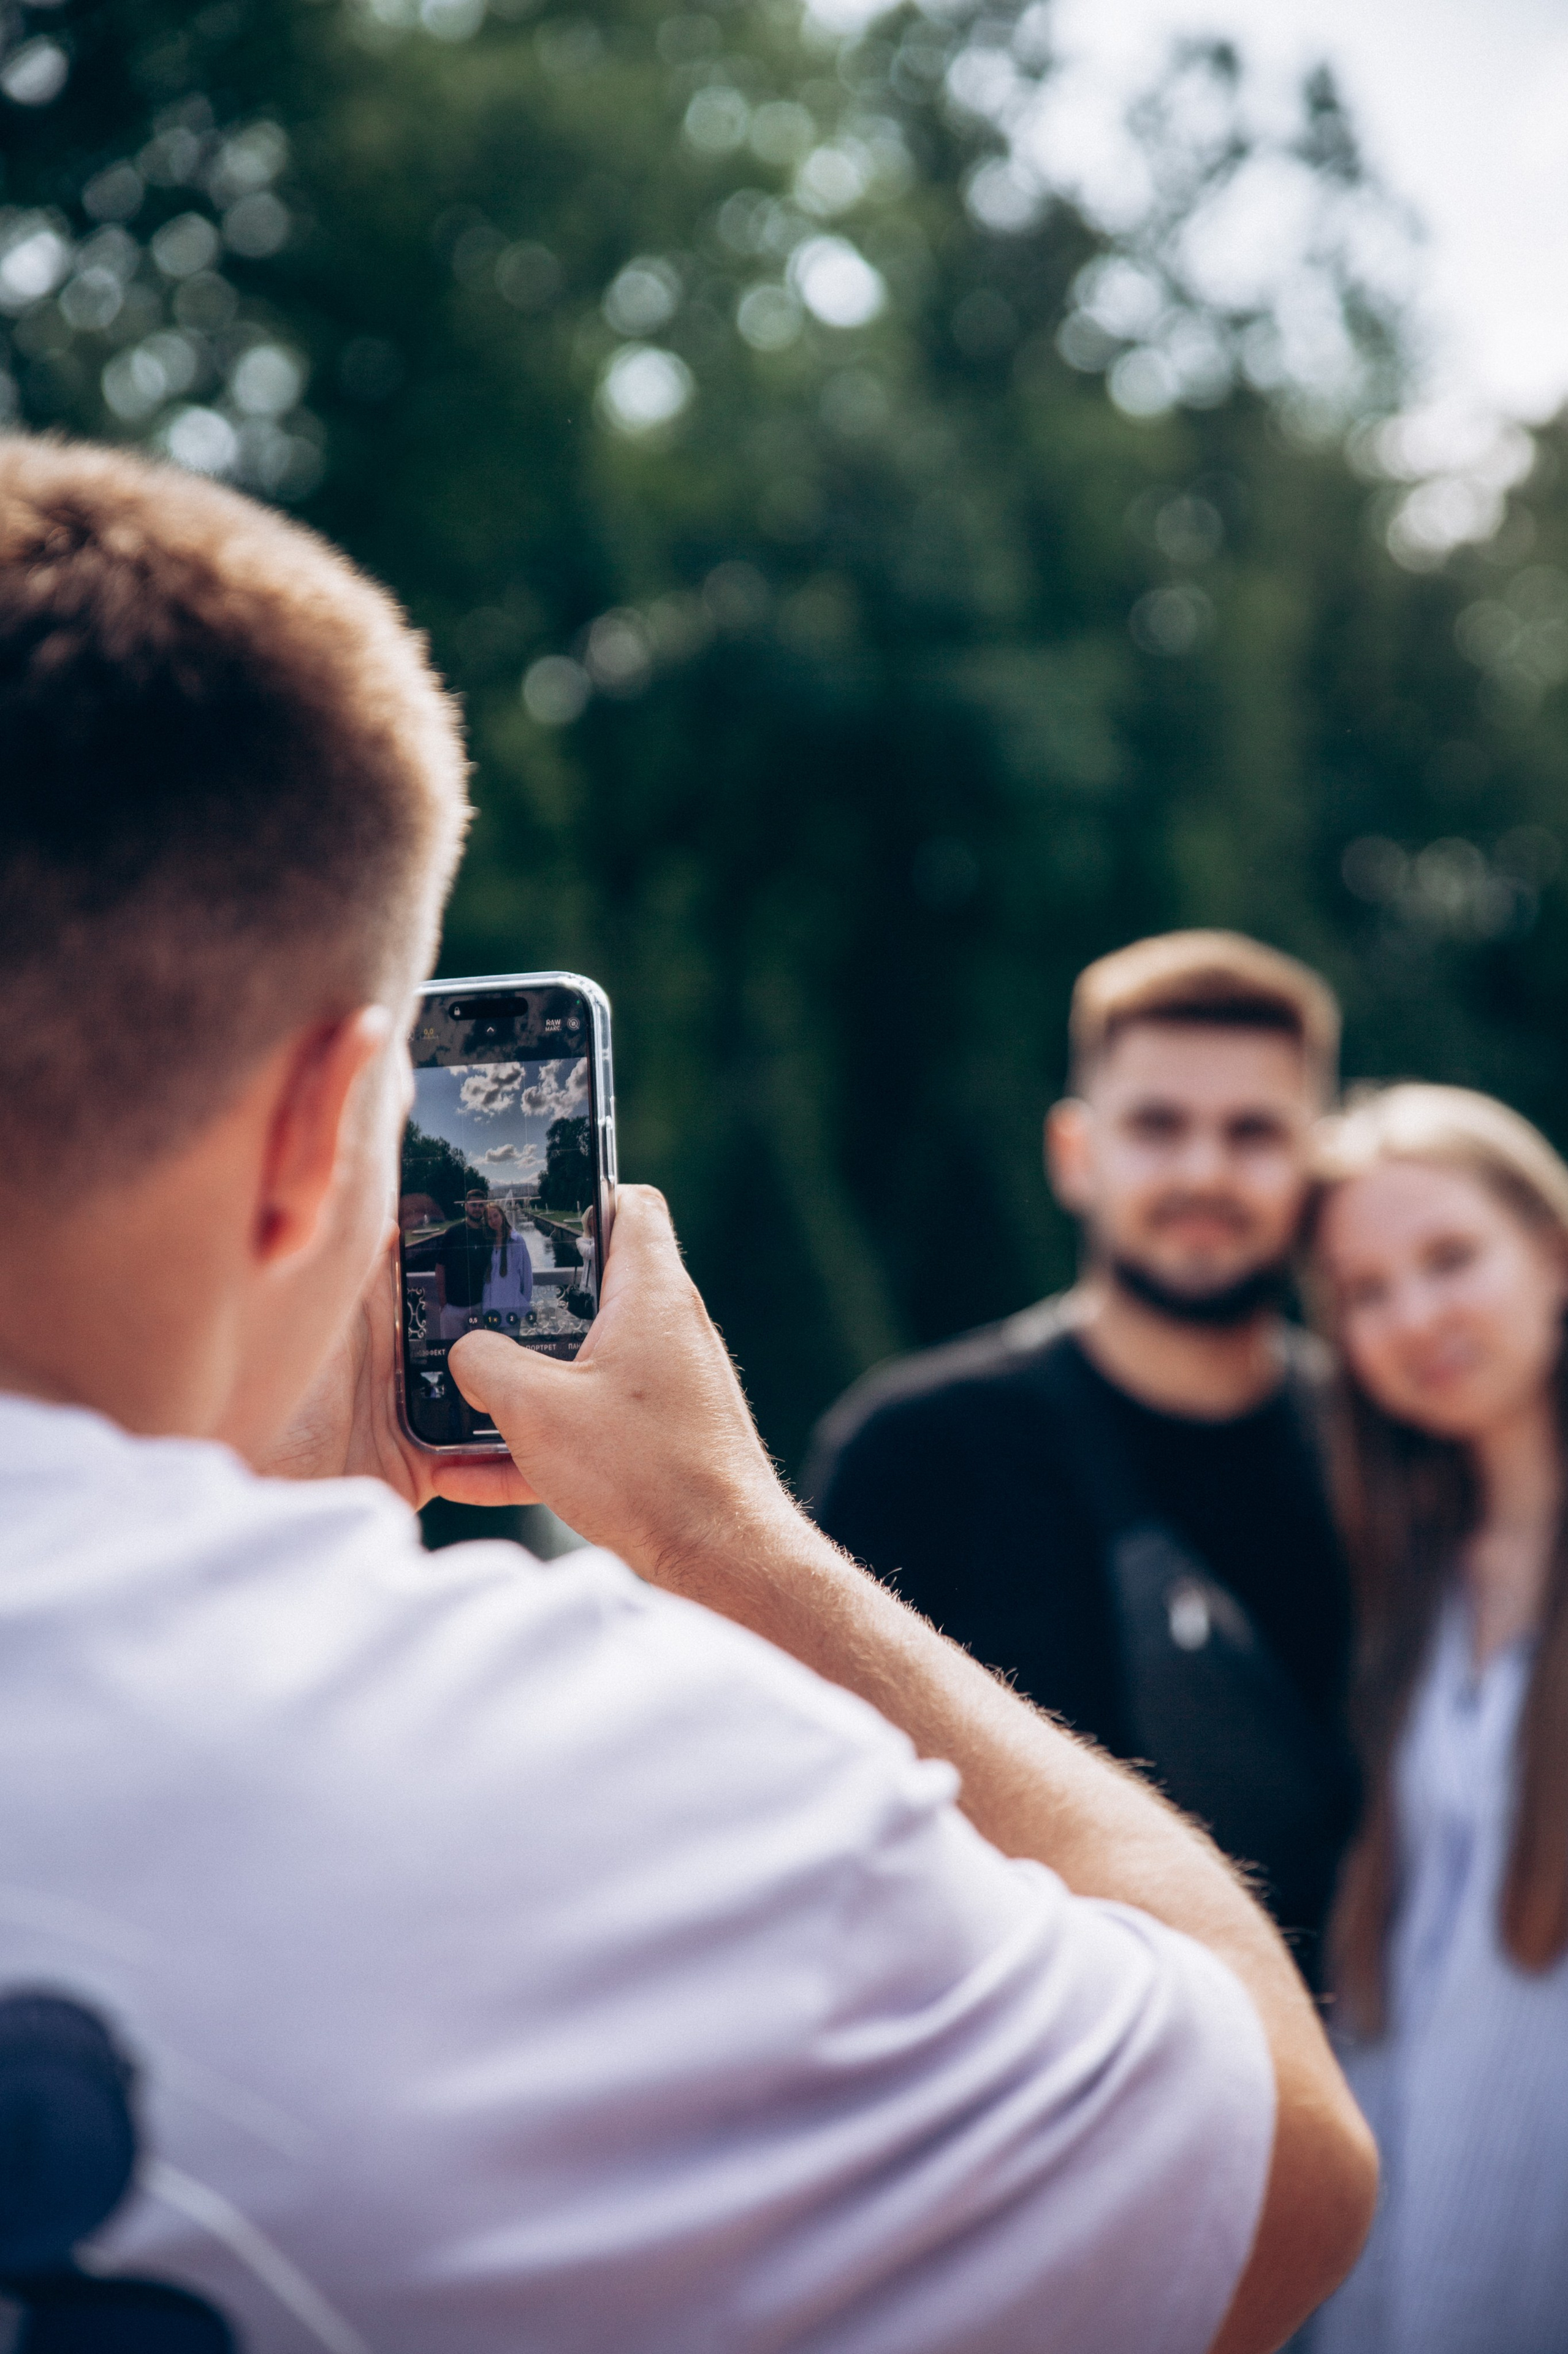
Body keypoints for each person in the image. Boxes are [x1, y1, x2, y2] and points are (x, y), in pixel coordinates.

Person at [0, 433, 1374, 2352]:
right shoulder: (597, 1774)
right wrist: (714, 1534)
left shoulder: (1369, 1446)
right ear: (331, 1124)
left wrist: (302, 1522)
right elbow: (1276, 2172)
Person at [809, 932, 1358, 1979]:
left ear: (1313, 1166)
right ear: (1076, 1153)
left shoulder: (1388, 1463)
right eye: (1158, 1126)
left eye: (1253, 1132)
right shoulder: (916, 1453)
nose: (1205, 1170)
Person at [1304, 1086, 1568, 2354]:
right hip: (1415, 2235)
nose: (1414, 1317)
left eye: (1449, 1259)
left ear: (1553, 1254)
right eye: (1364, 1290)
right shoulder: (1406, 1579)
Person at [436, 1187, 498, 1336]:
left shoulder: (489, 1233)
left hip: (478, 1306)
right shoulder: (453, 1233)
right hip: (453, 1308)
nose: (477, 1209)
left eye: (481, 1205)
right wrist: (444, 1305)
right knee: (452, 1353)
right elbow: (440, 1268)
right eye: (473, 1205)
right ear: (466, 1206)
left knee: (476, 1355)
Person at [480, 1198, 535, 1324]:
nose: (494, 1220)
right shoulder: (488, 1241)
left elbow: (526, 1274)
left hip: (511, 1306)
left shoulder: (516, 1240)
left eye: (496, 1216)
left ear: (502, 1215)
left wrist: (523, 1301)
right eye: (489, 1218)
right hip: (491, 1308)